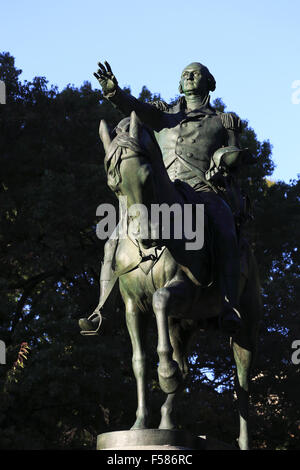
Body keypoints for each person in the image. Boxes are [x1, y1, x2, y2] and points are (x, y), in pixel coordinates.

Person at [79, 61, 247, 335]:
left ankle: (230, 304)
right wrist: (115, 92)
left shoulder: (222, 120)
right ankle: (102, 309)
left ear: (209, 83)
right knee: (114, 237)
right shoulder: (162, 116)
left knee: (225, 225)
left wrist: (230, 153)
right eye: (185, 74)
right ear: (180, 85)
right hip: (165, 189)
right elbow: (133, 108)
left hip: (203, 190)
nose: (189, 76)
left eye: (196, 73)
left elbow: (235, 159)